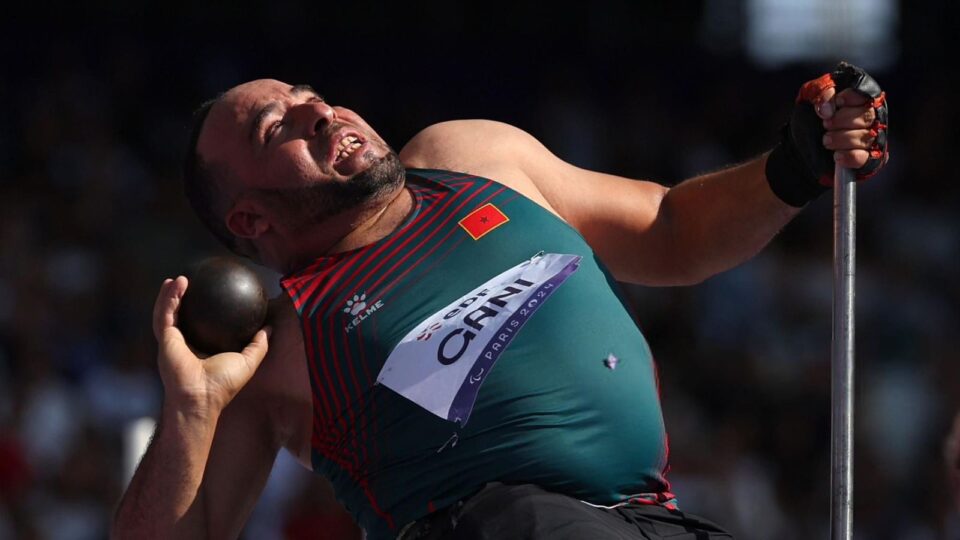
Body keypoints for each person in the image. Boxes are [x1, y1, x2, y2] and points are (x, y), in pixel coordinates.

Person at [112, 63, 888, 539]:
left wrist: (796, 163)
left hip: (650, 517)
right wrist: (191, 411)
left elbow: (672, 230)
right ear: (250, 219)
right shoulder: (273, 341)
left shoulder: (471, 157)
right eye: (279, 125)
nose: (322, 111)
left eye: (313, 95)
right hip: (503, 528)